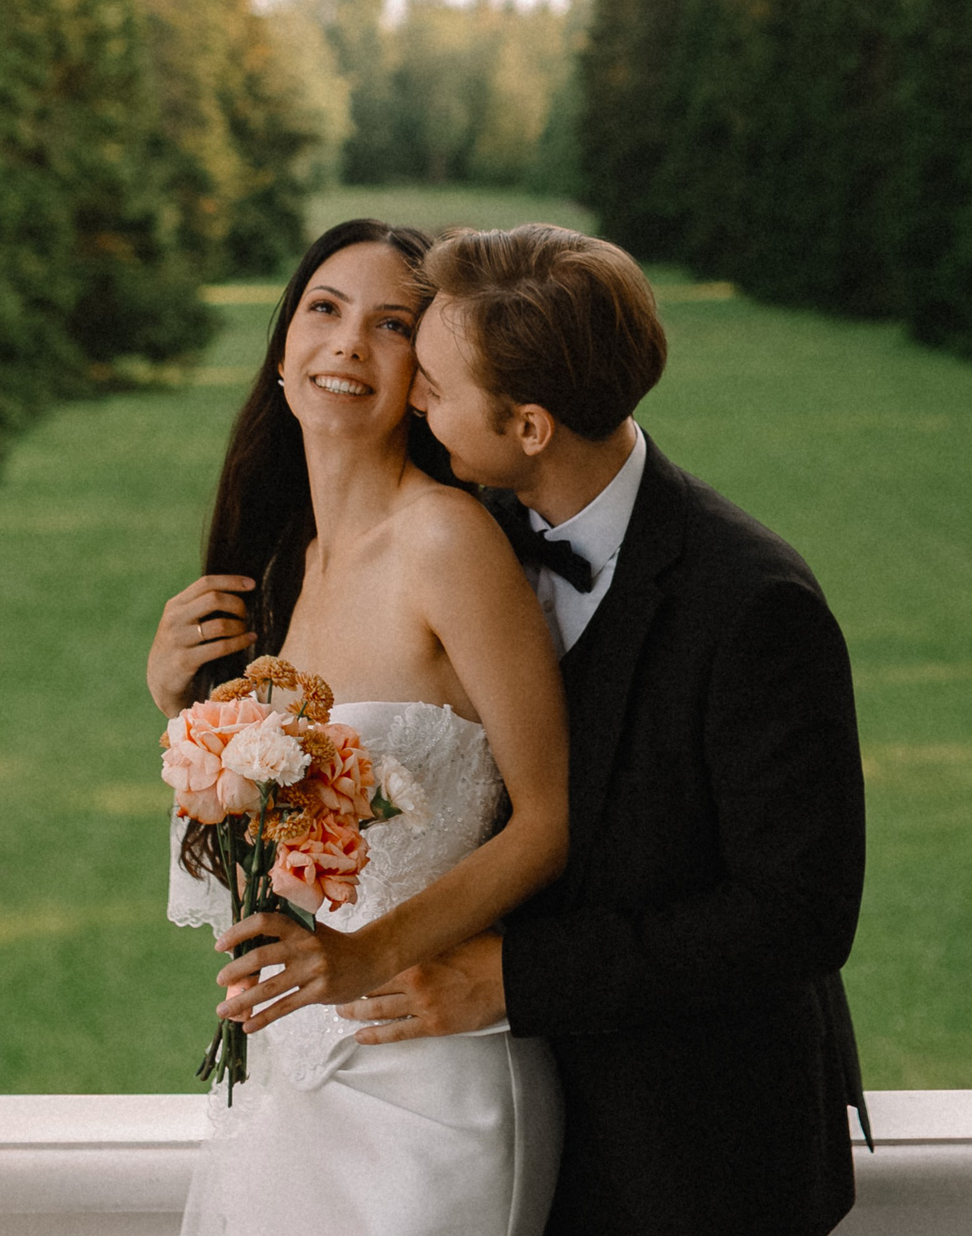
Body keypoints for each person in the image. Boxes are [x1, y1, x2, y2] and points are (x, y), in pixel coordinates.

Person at [343, 223, 870, 1236]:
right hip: (486, 1126)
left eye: (438, 388)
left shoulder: (754, 603)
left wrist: (517, 979)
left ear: (530, 427)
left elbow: (798, 914)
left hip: (698, 1151)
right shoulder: (463, 537)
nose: (412, 398)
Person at [146, 219, 571, 1236]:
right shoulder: (281, 566)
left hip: (430, 1086)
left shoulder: (446, 542)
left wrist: (363, 959)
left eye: (390, 325)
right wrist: (180, 709)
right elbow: (259, 854)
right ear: (283, 346)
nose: (345, 344)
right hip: (293, 1081)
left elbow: (550, 819)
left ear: (423, 374)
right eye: (323, 310)